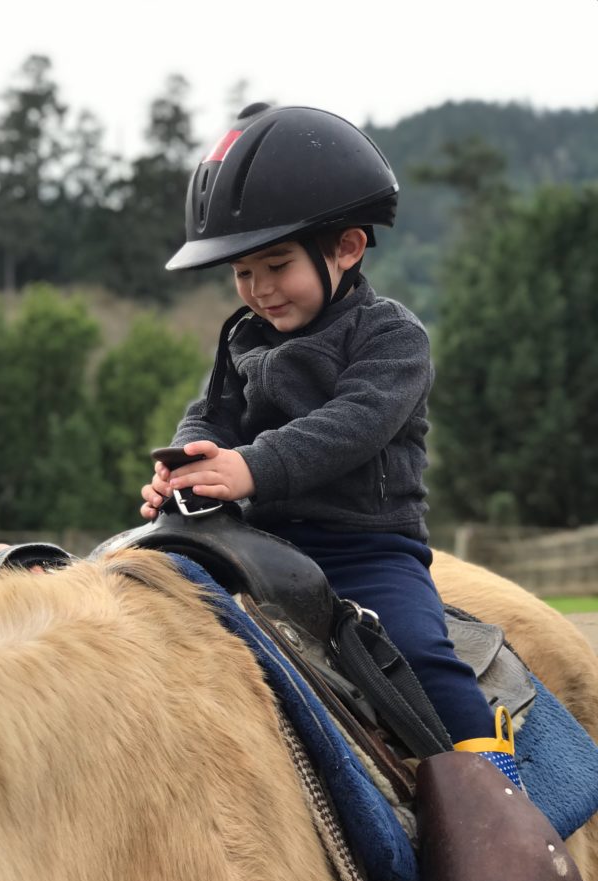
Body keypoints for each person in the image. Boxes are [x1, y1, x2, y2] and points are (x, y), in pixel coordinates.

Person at [140, 102, 520, 782]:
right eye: (242, 273)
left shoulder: (392, 338)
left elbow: (352, 426)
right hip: (255, 546)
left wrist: (250, 468)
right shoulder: (243, 339)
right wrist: (186, 468)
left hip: (364, 547)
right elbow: (210, 414)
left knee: (418, 652)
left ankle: (497, 791)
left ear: (345, 248)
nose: (258, 290)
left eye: (276, 265)